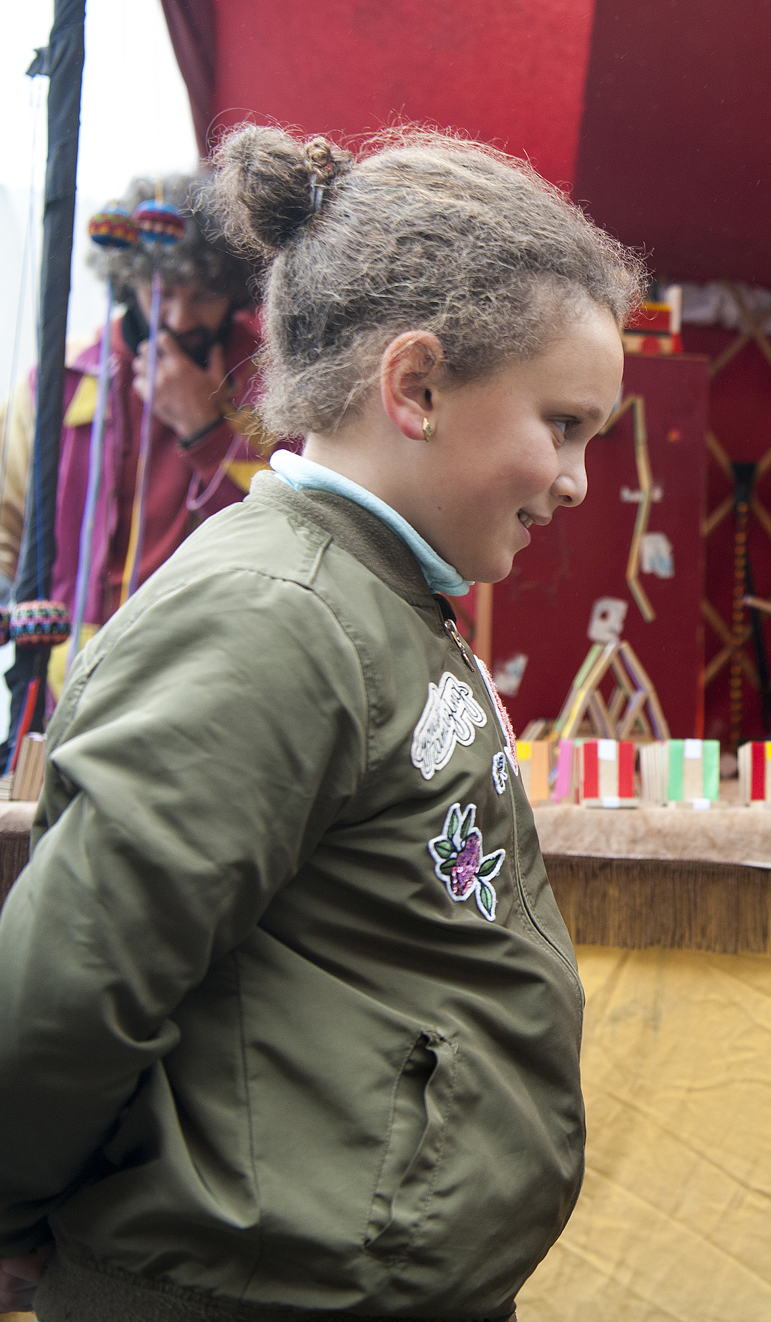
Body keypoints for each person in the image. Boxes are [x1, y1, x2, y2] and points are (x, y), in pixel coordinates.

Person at [0, 125, 642, 1319]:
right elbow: (72, 981)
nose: (576, 480)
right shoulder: (272, 614)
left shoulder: (380, 593)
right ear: (415, 386)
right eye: (563, 424)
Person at [0, 171, 274, 687]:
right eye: (165, 291)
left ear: (235, 290)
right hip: (59, 684)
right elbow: (6, 528)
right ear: (129, 281)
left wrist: (205, 428)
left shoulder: (274, 379)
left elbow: (285, 533)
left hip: (203, 680)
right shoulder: (58, 380)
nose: (181, 318)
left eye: (206, 294)